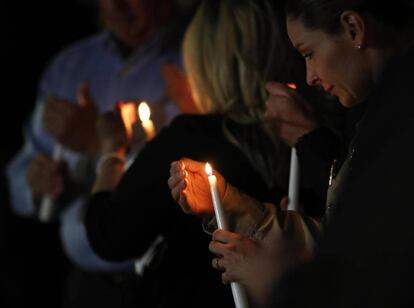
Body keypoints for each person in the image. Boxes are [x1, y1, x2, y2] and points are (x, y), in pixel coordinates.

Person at [173, 0, 414, 307]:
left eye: (309, 54)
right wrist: (236, 207)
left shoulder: (400, 124)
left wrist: (277, 280)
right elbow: (347, 239)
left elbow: (375, 279)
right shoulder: (376, 114)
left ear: (354, 28)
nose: (309, 76)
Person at [83, 0, 310, 306]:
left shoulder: (190, 140)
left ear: (206, 63)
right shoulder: (310, 132)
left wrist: (111, 151)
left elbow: (109, 235)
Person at [5, 0, 193, 306]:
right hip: (88, 288)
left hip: (171, 281)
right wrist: (34, 181)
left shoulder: (193, 57)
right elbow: (18, 178)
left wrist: (100, 144)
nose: (117, 6)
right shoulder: (68, 66)